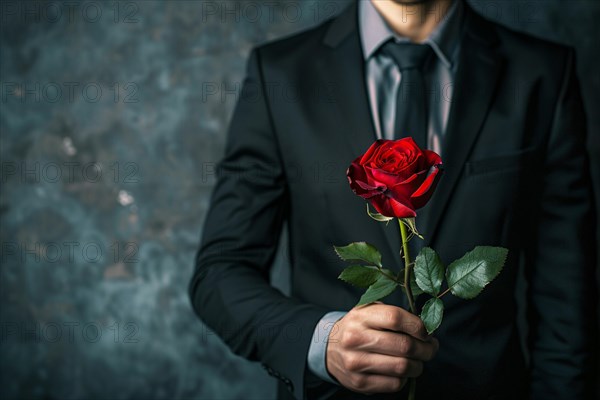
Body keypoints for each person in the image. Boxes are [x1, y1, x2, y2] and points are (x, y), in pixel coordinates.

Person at [189, 0, 597, 399]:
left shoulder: (541, 73)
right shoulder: (280, 73)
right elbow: (221, 271)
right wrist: (320, 340)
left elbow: (567, 294)